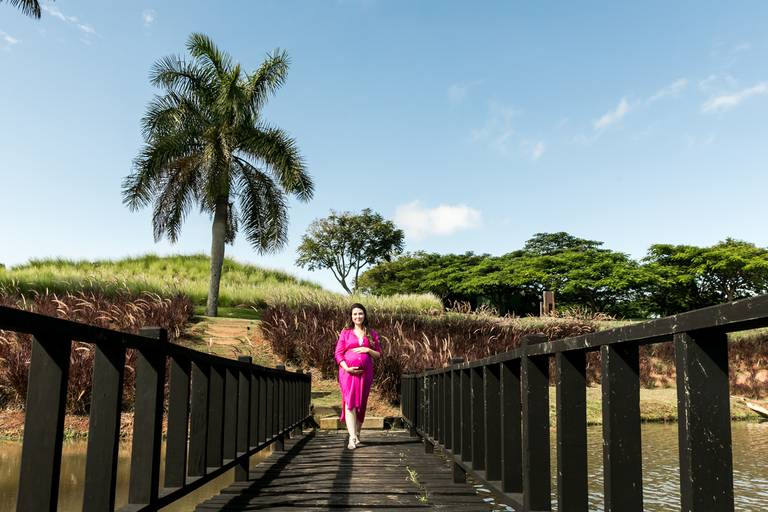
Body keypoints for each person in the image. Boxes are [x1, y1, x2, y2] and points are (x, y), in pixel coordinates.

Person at [334, 303, 381, 449]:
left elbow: (378, 354)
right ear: (351, 316)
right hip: (347, 373)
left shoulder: (371, 333)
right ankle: (352, 437)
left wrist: (367, 349)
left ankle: (358, 433)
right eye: (355, 314)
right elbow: (338, 354)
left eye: (360, 313)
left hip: (366, 374)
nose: (357, 316)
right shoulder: (346, 333)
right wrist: (347, 368)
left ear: (364, 315)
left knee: (362, 403)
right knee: (350, 403)